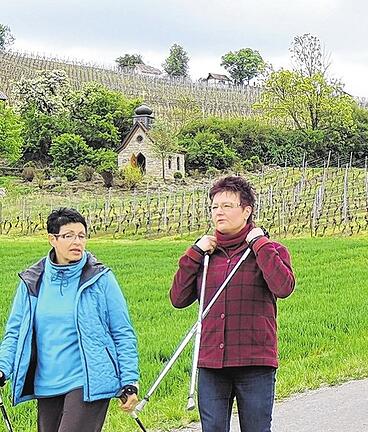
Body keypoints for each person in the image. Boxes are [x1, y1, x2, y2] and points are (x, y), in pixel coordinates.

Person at [171, 176, 295, 432]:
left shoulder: (270, 249)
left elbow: (284, 287)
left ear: (246, 211)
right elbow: (178, 298)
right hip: (211, 363)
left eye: (227, 206)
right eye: (214, 206)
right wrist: (194, 253)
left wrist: (259, 243)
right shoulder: (205, 256)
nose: (219, 212)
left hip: (254, 361)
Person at [0, 208, 139, 432]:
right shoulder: (32, 281)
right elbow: (15, 333)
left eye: (81, 235)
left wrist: (130, 380)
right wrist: (2, 368)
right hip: (46, 382)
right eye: (69, 236)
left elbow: (122, 331)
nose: (77, 242)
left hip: (87, 382)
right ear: (52, 239)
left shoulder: (100, 279)